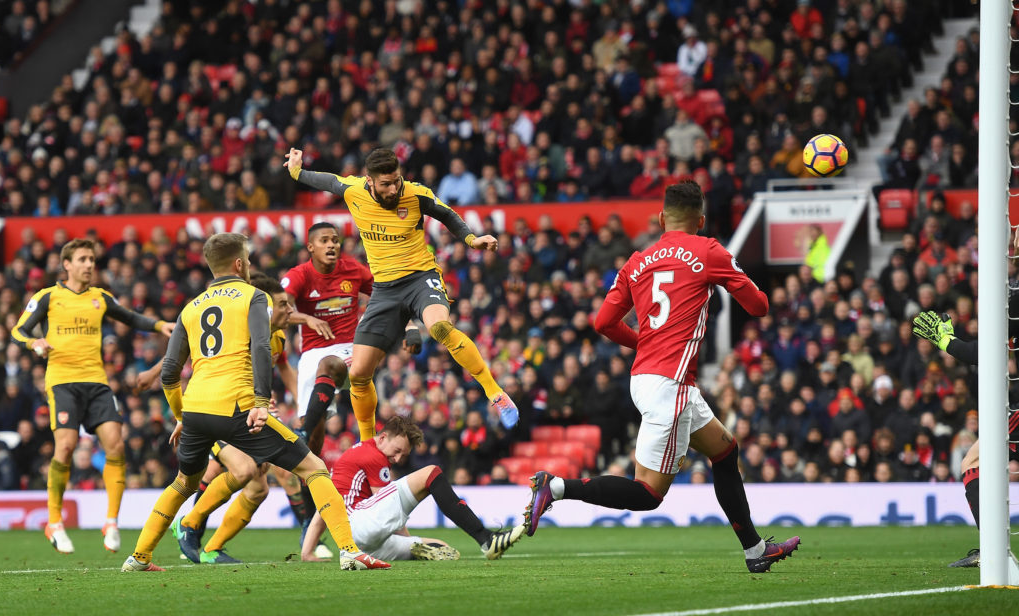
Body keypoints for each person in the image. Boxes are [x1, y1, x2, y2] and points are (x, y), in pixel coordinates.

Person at [524, 181, 801, 573]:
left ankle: (755, 551)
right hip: (668, 385)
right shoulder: (709, 250)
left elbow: (603, 322)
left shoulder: (637, 260)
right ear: (701, 221)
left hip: (657, 379)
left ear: (660, 218)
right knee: (648, 495)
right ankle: (555, 487)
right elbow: (759, 306)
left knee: (725, 451)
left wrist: (644, 343)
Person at [121, 233, 388, 572]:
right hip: (236, 405)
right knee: (314, 468)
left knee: (183, 483)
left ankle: (140, 556)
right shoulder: (254, 296)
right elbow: (262, 348)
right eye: (246, 259)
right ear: (239, 264)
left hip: (196, 409)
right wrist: (261, 401)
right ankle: (350, 551)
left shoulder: (191, 307)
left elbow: (169, 373)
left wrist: (179, 415)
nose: (248, 264)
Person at [284, 147, 519, 437]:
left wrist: (472, 240)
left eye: (397, 180)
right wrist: (296, 170)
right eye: (386, 184)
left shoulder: (415, 193)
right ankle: (368, 443)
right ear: (369, 181)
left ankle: (495, 393)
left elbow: (448, 215)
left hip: (421, 279)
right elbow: (325, 180)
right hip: (385, 290)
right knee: (358, 374)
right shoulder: (353, 190)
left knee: (439, 327)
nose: (394, 188)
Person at [11, 238, 174, 555]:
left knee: (115, 444)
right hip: (62, 382)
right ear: (67, 264)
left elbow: (129, 317)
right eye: (83, 259)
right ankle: (54, 522)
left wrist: (158, 325)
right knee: (67, 446)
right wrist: (35, 344)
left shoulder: (100, 297)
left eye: (92, 259)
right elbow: (19, 331)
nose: (89, 264)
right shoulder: (48, 297)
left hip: (97, 381)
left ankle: (111, 521)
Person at [134, 273, 301, 564]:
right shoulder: (238, 325)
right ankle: (188, 524)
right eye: (284, 305)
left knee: (258, 488)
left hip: (247, 411)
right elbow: (185, 350)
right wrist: (153, 373)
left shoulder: (278, 337)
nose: (291, 311)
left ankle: (211, 549)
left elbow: (279, 366)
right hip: (216, 408)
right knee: (242, 471)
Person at [280, 221, 420, 454]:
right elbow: (278, 309)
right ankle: (311, 481)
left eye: (335, 240)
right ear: (311, 247)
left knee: (329, 365)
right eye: (324, 241)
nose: (331, 245)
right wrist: (306, 319)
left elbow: (391, 297)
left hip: (351, 348)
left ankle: (308, 434)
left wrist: (410, 326)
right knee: (314, 436)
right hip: (311, 354)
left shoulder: (353, 270)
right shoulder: (299, 275)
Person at [301, 416, 525, 562]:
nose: (397, 459)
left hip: (354, 542)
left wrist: (307, 551)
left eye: (403, 455)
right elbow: (386, 507)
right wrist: (405, 534)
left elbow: (325, 507)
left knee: (441, 548)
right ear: (382, 437)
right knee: (432, 473)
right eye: (397, 450)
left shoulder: (354, 454)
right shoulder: (373, 455)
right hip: (362, 523)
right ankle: (487, 540)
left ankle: (415, 547)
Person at [912, 301, 1019, 568]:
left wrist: (947, 341)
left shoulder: (1014, 301)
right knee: (973, 462)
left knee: (973, 463)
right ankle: (990, 549)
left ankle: (990, 551)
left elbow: (985, 352)